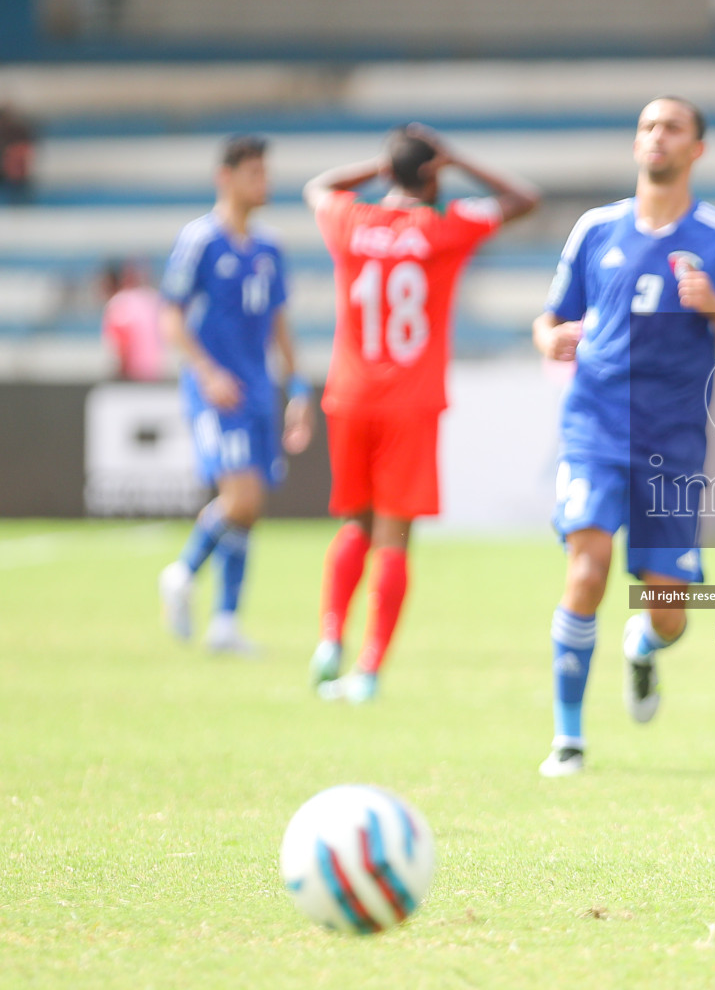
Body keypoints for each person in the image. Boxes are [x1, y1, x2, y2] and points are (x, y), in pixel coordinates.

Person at [533, 97, 715, 777]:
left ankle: (643, 646)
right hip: (595, 426)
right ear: (637, 145)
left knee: (668, 613)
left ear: (697, 150)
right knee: (587, 570)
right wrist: (555, 338)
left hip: (674, 441)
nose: (656, 137)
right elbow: (548, 321)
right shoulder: (595, 230)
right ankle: (568, 739)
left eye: (672, 128)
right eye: (647, 127)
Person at [304, 125, 540, 703]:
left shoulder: (350, 221)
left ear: (388, 172)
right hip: (411, 400)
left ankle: (330, 638)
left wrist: (382, 164)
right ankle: (368, 669)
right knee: (394, 537)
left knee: (353, 523)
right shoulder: (443, 227)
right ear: (433, 174)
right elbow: (524, 199)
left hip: (350, 394)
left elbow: (318, 186)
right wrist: (457, 159)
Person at [158, 135, 313, 654]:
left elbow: (281, 324)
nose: (262, 184)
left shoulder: (270, 248)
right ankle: (181, 575)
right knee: (240, 496)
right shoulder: (199, 240)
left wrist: (297, 386)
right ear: (225, 178)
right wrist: (205, 372)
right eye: (253, 174)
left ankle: (225, 623)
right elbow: (171, 316)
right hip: (217, 391)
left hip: (258, 389)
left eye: (265, 174)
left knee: (250, 507)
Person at [102, 260, 166, 381]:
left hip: (132, 377)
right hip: (155, 374)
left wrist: (119, 374)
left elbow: (122, 342)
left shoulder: (119, 303)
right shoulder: (152, 299)